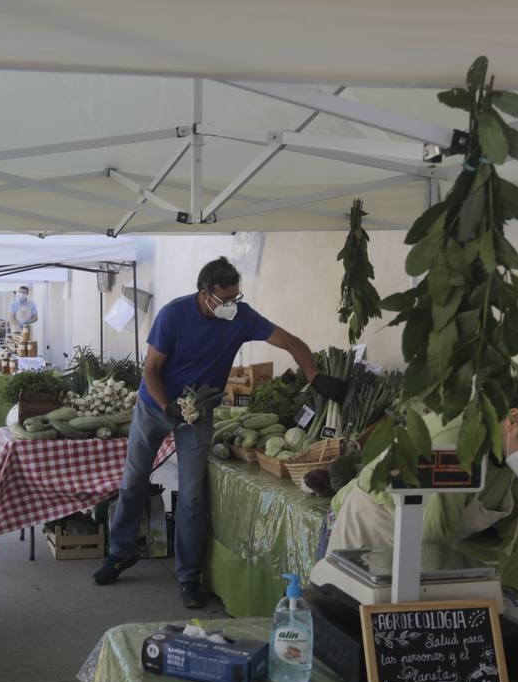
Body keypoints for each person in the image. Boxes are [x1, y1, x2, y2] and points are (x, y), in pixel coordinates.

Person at [95, 257, 349, 608]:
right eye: (224, 300)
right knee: (134, 480)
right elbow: (150, 370)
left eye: (236, 298)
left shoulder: (241, 317)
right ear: (205, 294)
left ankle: (188, 577)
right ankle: (119, 553)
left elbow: (291, 342)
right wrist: (168, 406)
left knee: (193, 496)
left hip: (199, 413)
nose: (232, 306)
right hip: (154, 407)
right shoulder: (173, 315)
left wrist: (314, 376)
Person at [326, 364, 518, 598]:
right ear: (514, 420)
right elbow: (431, 536)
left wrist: (514, 598)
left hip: (427, 546)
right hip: (373, 528)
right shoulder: (454, 444)